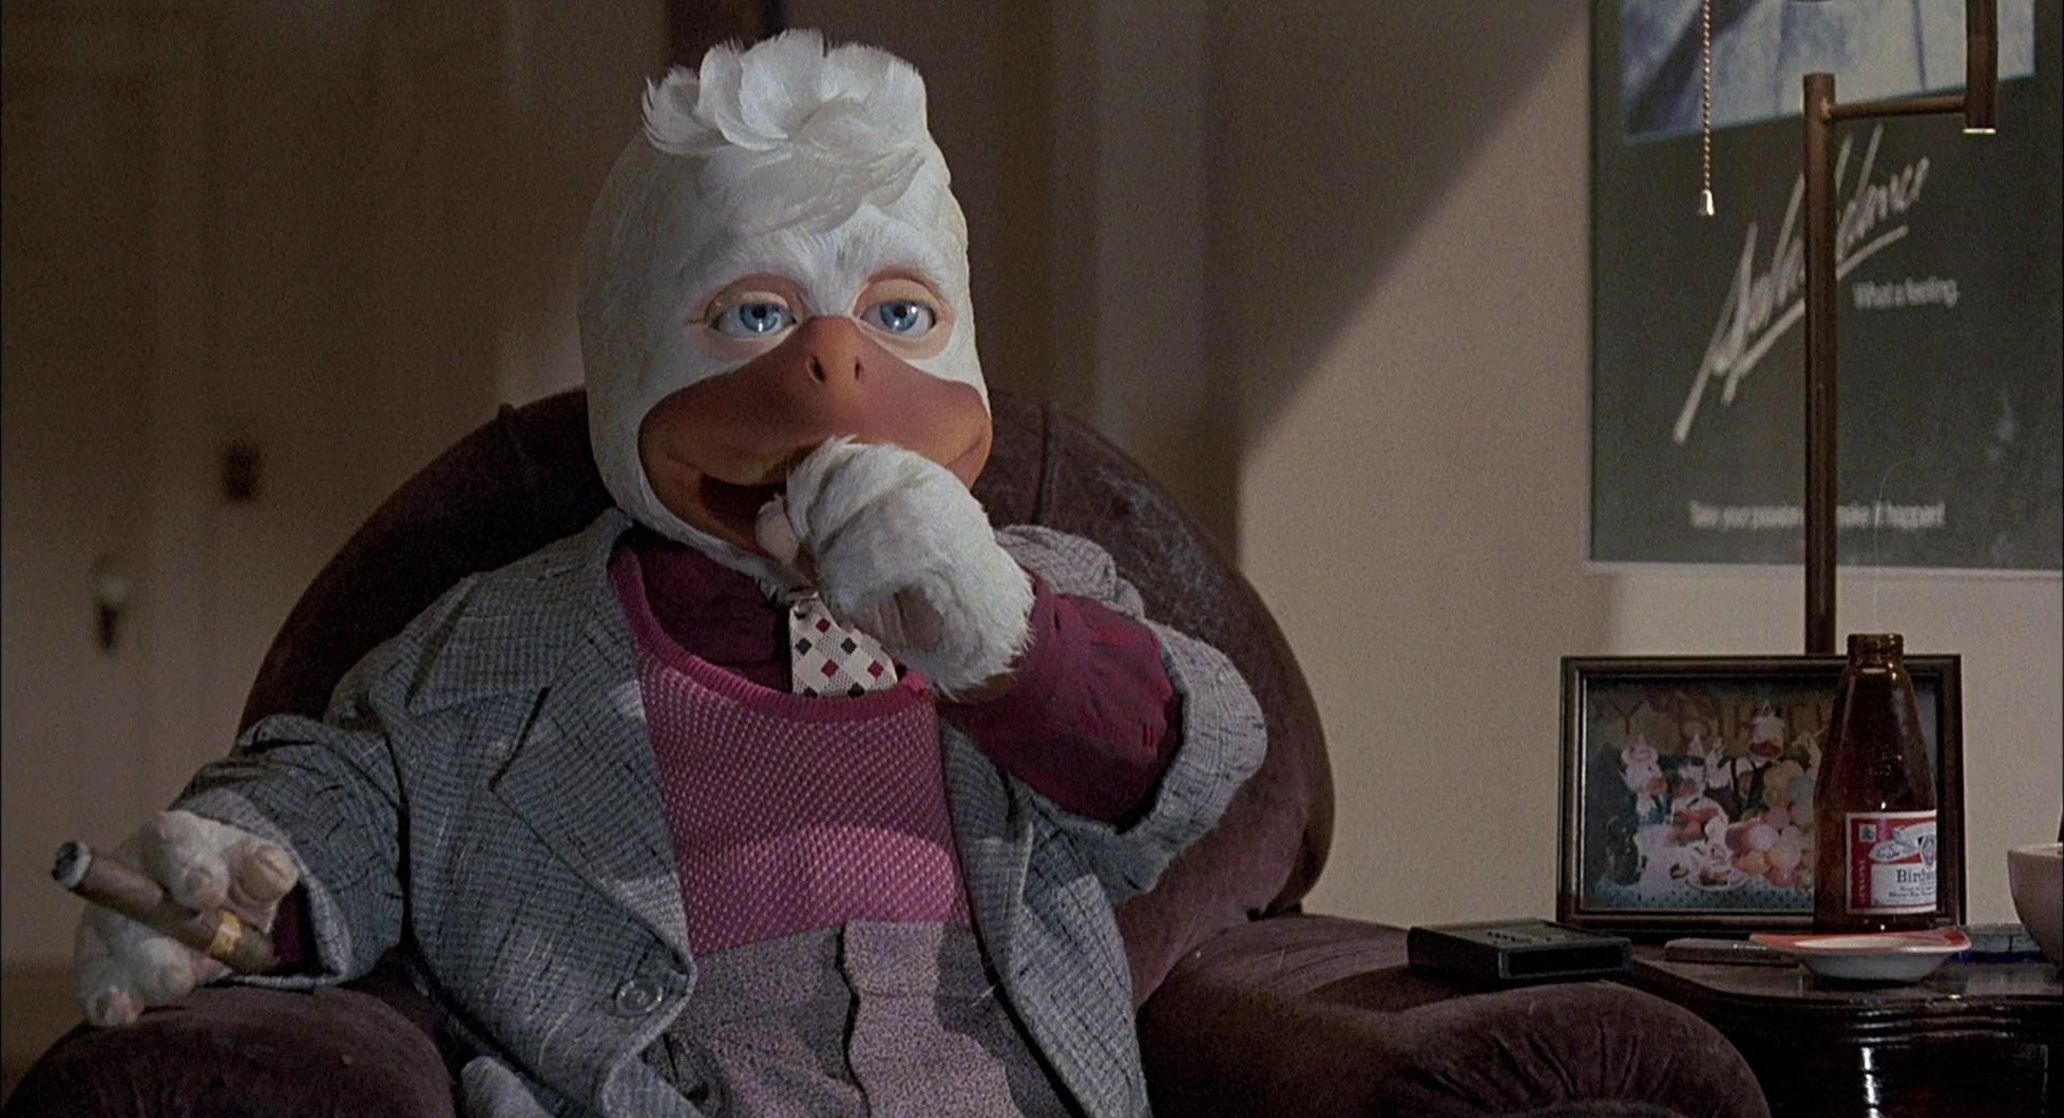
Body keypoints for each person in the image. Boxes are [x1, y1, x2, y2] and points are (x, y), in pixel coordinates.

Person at [69, 31, 1265, 1118]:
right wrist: (227, 865)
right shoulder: (493, 652)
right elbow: (341, 797)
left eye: (900, 313)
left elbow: (1200, 761)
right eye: (754, 314)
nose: (836, 362)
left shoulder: (1053, 590)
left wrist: (1005, 641)